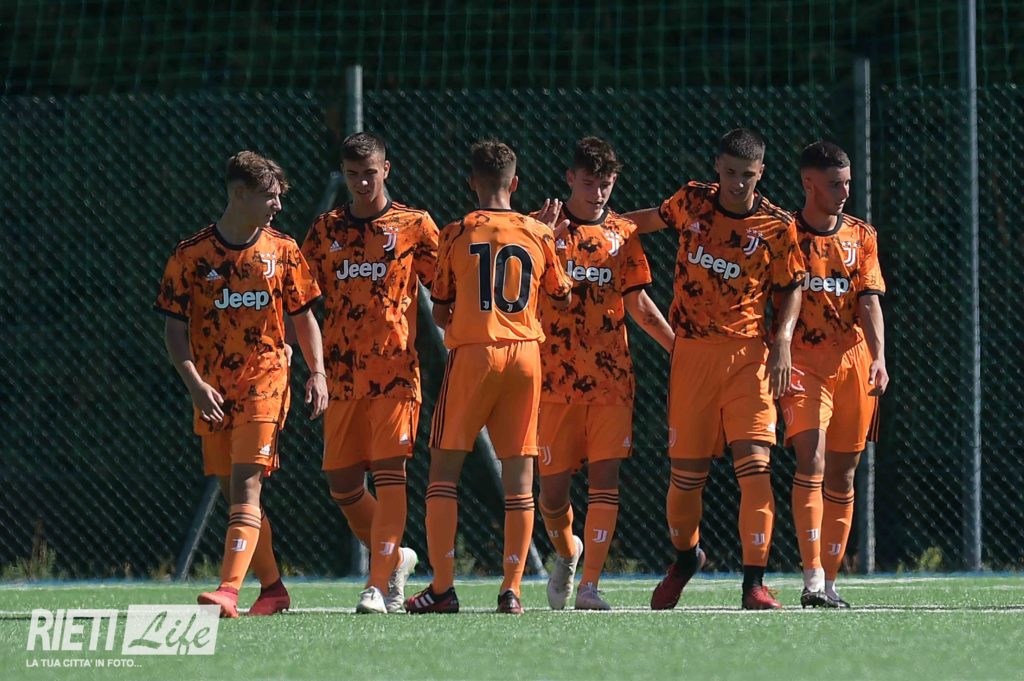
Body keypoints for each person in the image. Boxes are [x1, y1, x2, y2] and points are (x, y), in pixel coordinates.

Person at [625, 128, 806, 610]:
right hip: (693, 356)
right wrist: (593, 228)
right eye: (729, 173)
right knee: (686, 480)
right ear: (717, 168)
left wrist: (782, 339)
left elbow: (791, 287)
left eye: (747, 175)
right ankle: (686, 558)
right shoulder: (691, 202)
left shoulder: (777, 226)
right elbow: (643, 222)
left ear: (761, 173)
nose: (737, 184)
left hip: (749, 357)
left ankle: (754, 584)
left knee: (757, 469)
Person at [154, 150, 327, 618]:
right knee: (234, 494)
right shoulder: (191, 255)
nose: (278, 206)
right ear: (239, 194)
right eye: (270, 197)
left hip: (266, 381)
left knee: (247, 486)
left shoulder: (283, 250)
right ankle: (273, 589)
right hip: (212, 391)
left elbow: (304, 317)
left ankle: (228, 590)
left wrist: (317, 372)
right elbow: (173, 328)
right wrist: (194, 383)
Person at [404, 139, 573, 615]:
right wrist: (543, 235)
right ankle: (512, 589)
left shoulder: (457, 232)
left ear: (471, 182)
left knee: (443, 475)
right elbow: (561, 295)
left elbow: (439, 311)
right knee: (520, 482)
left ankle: (442, 588)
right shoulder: (537, 233)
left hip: (475, 354)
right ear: (514, 184)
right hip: (525, 356)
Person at [300, 132, 439, 614]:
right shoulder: (325, 230)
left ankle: (378, 584)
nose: (362, 182)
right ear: (344, 173)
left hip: (395, 375)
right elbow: (299, 299)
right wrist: (312, 366)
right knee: (342, 484)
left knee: (390, 473)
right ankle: (396, 558)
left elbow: (450, 283)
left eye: (370, 173)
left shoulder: (415, 225)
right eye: (354, 174)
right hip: (341, 378)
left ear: (387, 170)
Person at [533, 137, 674, 611]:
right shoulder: (542, 228)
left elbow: (638, 302)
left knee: (605, 481)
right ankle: (567, 552)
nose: (597, 193)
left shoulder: (622, 233)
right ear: (570, 179)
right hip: (552, 381)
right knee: (552, 496)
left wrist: (677, 348)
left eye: (606, 185)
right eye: (589, 183)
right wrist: (537, 237)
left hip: (611, 379)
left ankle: (590, 585)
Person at [781, 141, 887, 608]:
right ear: (809, 184)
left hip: (853, 363)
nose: (844, 192)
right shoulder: (784, 234)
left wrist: (879, 358)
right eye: (834, 184)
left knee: (843, 475)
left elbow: (869, 300)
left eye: (847, 183)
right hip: (804, 363)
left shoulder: (862, 235)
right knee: (812, 461)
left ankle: (830, 581)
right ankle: (811, 577)